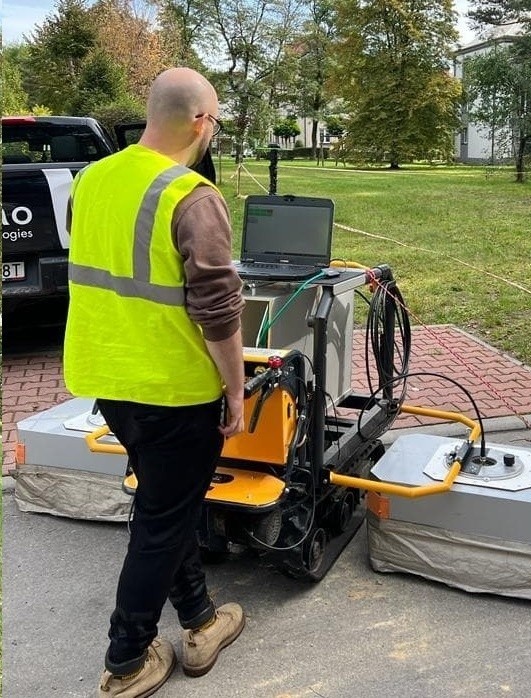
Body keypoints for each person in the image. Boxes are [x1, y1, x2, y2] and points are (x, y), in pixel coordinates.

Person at [63, 67, 246, 697]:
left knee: (167, 506)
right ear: (201, 122)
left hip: (107, 380)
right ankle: (127, 660)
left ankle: (198, 621)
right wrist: (236, 389)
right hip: (174, 390)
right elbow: (219, 311)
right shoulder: (192, 196)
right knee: (163, 520)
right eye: (215, 122)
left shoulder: (90, 180)